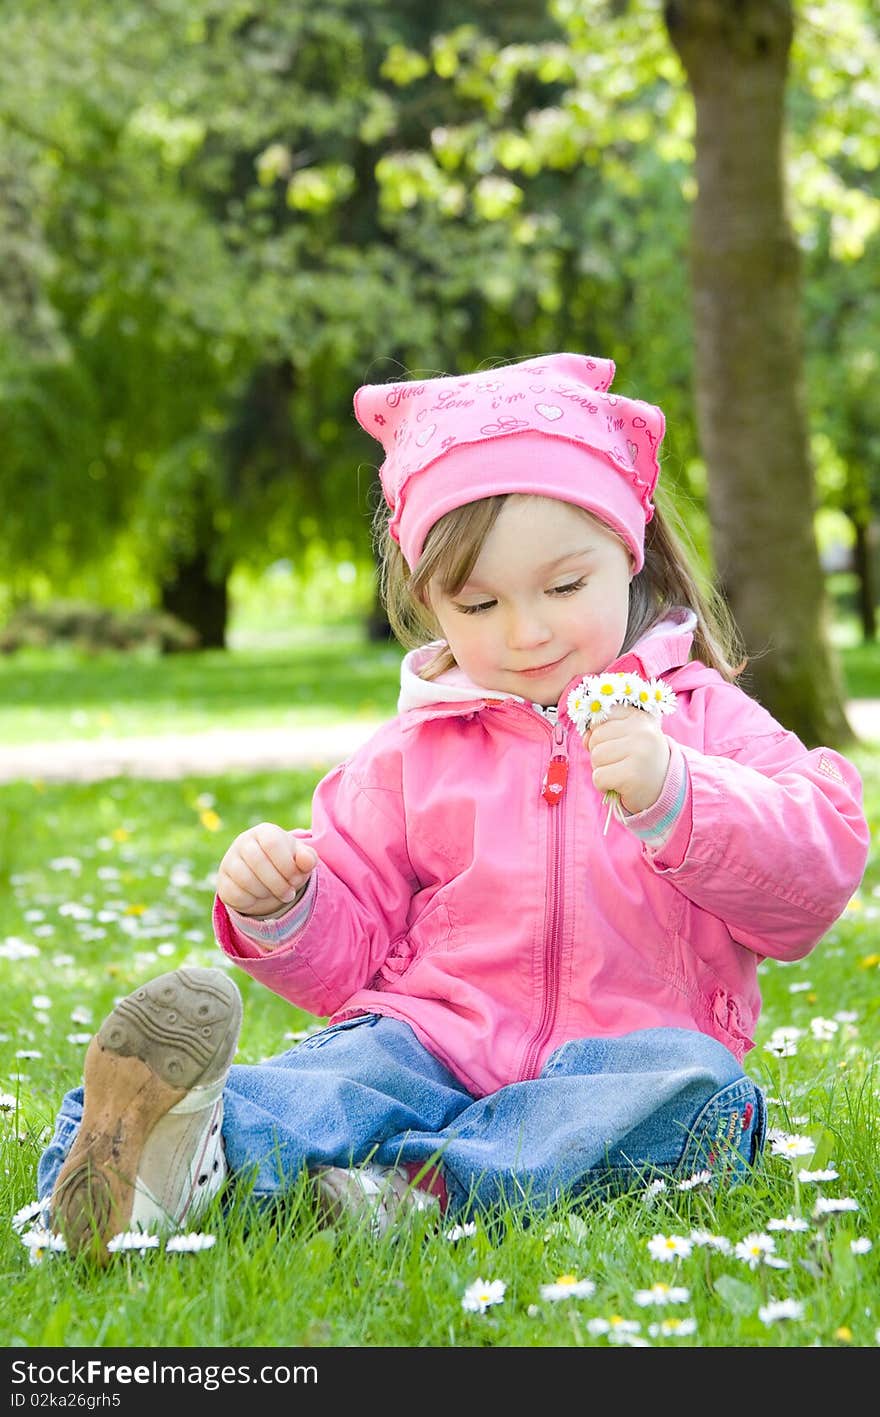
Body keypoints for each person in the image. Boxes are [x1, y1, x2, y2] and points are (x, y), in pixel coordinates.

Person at [39, 352, 870, 1262]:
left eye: (564, 586)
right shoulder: (414, 752)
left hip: (621, 1058)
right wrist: (286, 908)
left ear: (627, 554)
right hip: (429, 1038)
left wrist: (680, 796)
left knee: (695, 1094)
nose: (528, 631)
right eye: (478, 602)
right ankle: (165, 1153)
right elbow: (345, 961)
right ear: (427, 599)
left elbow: (814, 877)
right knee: (338, 1077)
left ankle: (400, 1185)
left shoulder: (699, 717)